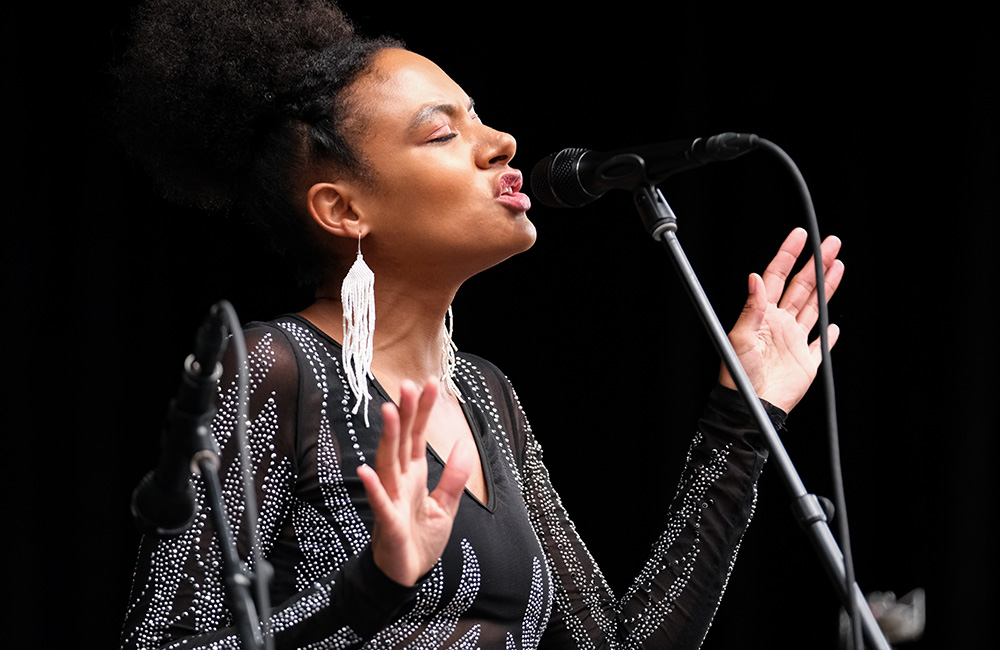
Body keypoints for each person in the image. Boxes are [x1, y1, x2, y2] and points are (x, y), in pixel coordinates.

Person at [116, 1, 844, 649]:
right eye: (441, 134)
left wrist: (743, 417)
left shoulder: (485, 395)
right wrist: (375, 586)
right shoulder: (273, 365)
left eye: (479, 116)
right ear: (343, 210)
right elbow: (165, 639)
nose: (500, 143)